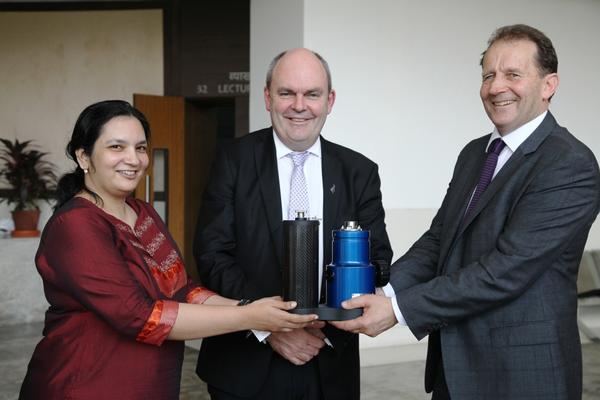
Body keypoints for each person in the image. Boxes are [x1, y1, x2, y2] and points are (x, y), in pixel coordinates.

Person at [333, 24, 600, 400]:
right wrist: (384, 289)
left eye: (513, 74)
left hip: (521, 377)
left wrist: (397, 309)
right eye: (488, 75)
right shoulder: (475, 153)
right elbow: (440, 239)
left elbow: (505, 271)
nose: (495, 87)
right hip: (454, 370)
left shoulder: (569, 163)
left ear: (548, 85)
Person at [19, 100, 317, 400]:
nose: (133, 159)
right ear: (84, 156)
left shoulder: (143, 212)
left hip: (151, 384)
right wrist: (252, 318)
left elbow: (183, 290)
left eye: (141, 148)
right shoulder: (76, 224)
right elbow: (141, 317)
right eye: (116, 147)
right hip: (87, 385)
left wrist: (253, 309)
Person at [193, 48, 393, 400]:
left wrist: (329, 322)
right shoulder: (232, 160)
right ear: (268, 97)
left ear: (329, 100)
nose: (299, 106)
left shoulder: (359, 172)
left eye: (312, 94)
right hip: (244, 364)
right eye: (287, 93)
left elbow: (378, 259)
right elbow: (213, 254)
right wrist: (270, 326)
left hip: (328, 360)